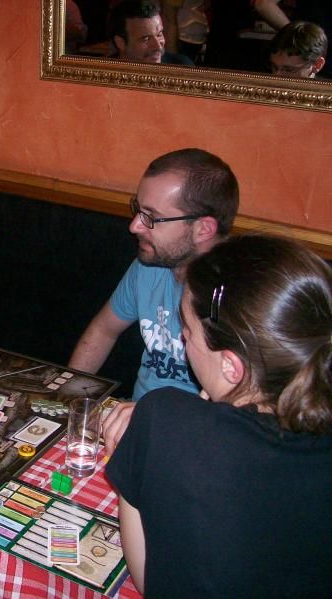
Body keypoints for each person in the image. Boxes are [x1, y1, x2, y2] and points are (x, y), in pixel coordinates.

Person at [106, 234, 332, 596]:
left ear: (231, 366)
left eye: (187, 331)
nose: (182, 341)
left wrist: (138, 449)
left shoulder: (164, 419)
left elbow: (150, 580)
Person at [67, 148, 239, 452]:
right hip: (132, 427)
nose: (134, 226)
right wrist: (70, 400)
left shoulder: (243, 294)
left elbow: (248, 414)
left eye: (152, 217)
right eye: (137, 209)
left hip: (199, 444)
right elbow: (104, 330)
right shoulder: (149, 266)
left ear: (203, 229)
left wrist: (157, 420)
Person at [108, 0, 194, 65]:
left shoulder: (183, 67)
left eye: (159, 35)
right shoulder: (103, 71)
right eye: (146, 39)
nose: (158, 46)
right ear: (120, 43)